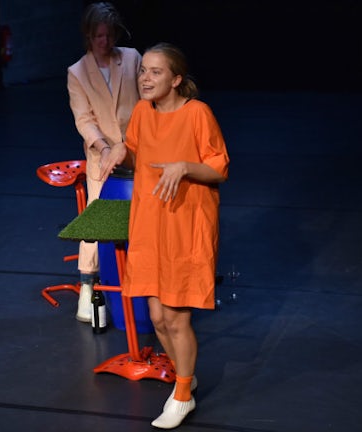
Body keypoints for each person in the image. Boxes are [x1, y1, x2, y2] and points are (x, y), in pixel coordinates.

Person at [100, 42, 230, 429]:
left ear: (176, 79)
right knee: (157, 318)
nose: (145, 78)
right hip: (150, 221)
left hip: (186, 223)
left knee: (175, 317)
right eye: (143, 70)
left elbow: (219, 168)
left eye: (156, 72)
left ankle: (184, 394)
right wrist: (120, 150)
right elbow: (137, 149)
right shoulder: (142, 112)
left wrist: (184, 166)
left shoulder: (197, 113)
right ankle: (184, 378)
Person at [67, 2, 141, 322]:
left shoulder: (132, 58)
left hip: (137, 150)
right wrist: (106, 147)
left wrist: (130, 143)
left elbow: (146, 102)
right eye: (98, 35)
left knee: (142, 215)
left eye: (109, 35)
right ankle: (88, 285)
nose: (104, 41)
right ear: (88, 35)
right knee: (96, 218)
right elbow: (84, 120)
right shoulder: (77, 72)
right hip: (102, 156)